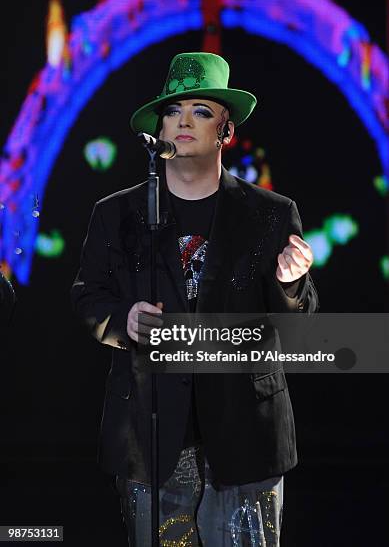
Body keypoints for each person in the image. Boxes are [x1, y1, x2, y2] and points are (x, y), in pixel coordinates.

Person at [71, 51, 319, 546]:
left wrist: (291, 283)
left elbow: (297, 320)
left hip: (247, 435)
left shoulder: (270, 213)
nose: (184, 121)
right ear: (159, 127)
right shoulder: (116, 214)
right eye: (173, 110)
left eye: (201, 111)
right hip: (151, 433)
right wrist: (124, 320)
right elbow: (88, 296)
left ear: (226, 130)